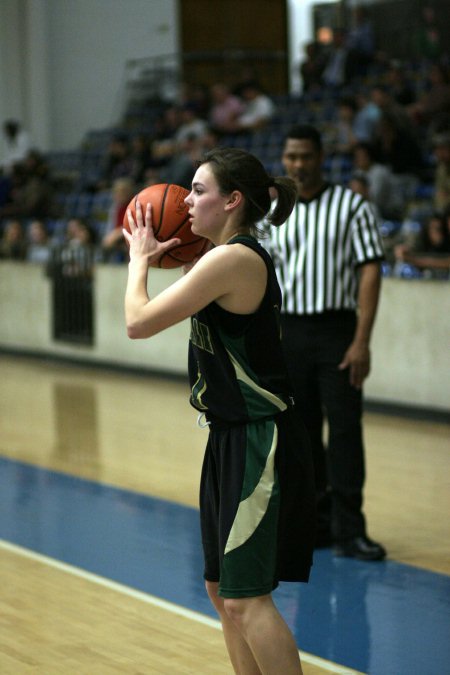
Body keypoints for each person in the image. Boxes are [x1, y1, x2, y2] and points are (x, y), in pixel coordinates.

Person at [123, 147, 316, 675]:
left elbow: (137, 323)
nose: (185, 200)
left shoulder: (235, 259)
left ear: (232, 201)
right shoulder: (216, 257)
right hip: (229, 437)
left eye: (199, 190)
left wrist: (140, 258)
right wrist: (172, 249)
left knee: (247, 599)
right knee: (220, 588)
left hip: (260, 441)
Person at [264, 124, 386, 562]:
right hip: (288, 332)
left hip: (337, 331)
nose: (298, 164)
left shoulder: (352, 206)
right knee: (299, 435)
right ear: (283, 158)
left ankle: (351, 530)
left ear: (321, 157)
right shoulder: (271, 211)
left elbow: (370, 270)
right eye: (291, 156)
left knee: (346, 433)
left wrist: (361, 340)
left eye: (306, 156)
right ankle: (314, 526)